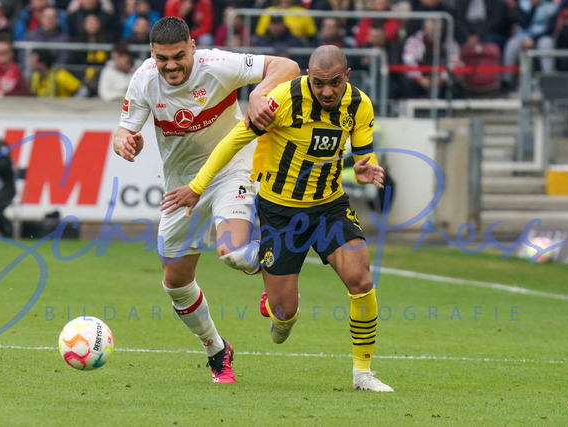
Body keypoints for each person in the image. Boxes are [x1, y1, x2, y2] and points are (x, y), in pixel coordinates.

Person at [161, 45, 393, 392]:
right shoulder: (283, 100)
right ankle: (276, 306)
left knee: (360, 279)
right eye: (318, 83)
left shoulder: (359, 105)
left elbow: (363, 158)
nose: (326, 91)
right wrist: (196, 187)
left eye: (334, 82)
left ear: (347, 76)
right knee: (283, 318)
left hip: (329, 206)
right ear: (308, 76)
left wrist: (364, 170)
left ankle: (363, 374)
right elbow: (232, 141)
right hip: (280, 213)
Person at [112, 17, 299, 383]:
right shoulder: (144, 79)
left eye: (178, 56)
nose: (171, 66)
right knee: (176, 282)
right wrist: (124, 142)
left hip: (231, 171)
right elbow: (123, 132)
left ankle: (273, 265)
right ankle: (217, 350)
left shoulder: (217, 65)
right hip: (182, 187)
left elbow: (288, 67)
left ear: (193, 47)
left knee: (232, 251)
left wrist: (259, 92)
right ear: (152, 53)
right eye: (162, 58)